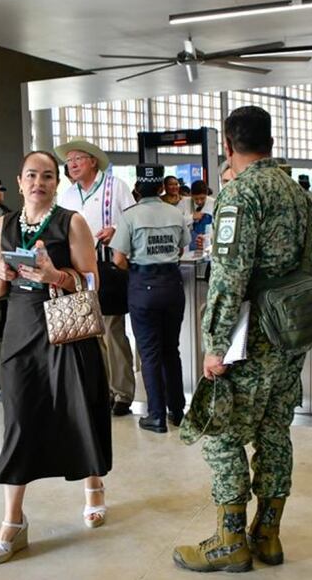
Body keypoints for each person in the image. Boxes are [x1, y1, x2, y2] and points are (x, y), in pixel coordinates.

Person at [172, 106, 312, 573]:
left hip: (249, 341)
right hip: (291, 334)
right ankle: (268, 536)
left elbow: (229, 277)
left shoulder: (240, 195)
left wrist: (215, 345)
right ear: (270, 143)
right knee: (275, 432)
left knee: (223, 434)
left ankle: (229, 540)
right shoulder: (302, 197)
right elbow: (307, 271)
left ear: (228, 149)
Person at [0, 150, 112, 565]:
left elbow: (92, 279)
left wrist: (54, 275)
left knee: (78, 410)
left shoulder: (70, 221)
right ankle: (13, 521)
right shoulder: (2, 225)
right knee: (19, 420)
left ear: (57, 183)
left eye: (48, 176)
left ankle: (93, 487)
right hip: (21, 333)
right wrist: (1, 273)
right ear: (19, 182)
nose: (39, 183)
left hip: (66, 331)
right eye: (32, 176)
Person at [55, 138, 137, 416]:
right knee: (88, 333)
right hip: (78, 272)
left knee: (113, 330)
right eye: (69, 161)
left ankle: (122, 392)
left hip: (108, 267)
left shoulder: (116, 187)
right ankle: (99, 389)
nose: (72, 165)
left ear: (93, 161)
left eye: (77, 158)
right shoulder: (67, 195)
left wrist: (115, 229)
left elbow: (132, 220)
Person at [110, 164, 190, 433]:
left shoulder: (129, 217)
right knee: (171, 350)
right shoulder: (175, 213)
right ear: (161, 188)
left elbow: (118, 259)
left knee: (149, 353)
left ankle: (155, 414)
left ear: (137, 189)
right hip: (172, 286)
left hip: (143, 287)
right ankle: (177, 411)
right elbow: (181, 248)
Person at [188, 179, 216, 253]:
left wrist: (208, 238)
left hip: (208, 243)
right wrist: (192, 217)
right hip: (190, 243)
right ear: (191, 194)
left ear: (206, 194)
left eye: (202, 198)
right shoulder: (185, 202)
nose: (199, 201)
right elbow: (180, 221)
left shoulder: (214, 203)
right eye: (196, 199)